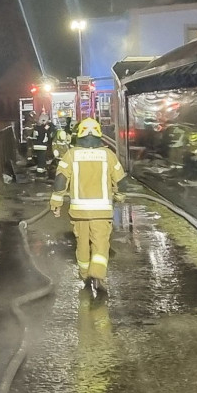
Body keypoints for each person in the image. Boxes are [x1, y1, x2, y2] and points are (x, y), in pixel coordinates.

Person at [49, 118, 128, 292]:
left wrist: (56, 202)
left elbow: (60, 181)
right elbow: (120, 181)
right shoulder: (108, 155)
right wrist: (120, 196)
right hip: (102, 213)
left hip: (79, 213)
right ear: (99, 134)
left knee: (82, 245)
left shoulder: (70, 155)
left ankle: (85, 277)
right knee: (100, 245)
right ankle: (97, 275)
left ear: (80, 135)